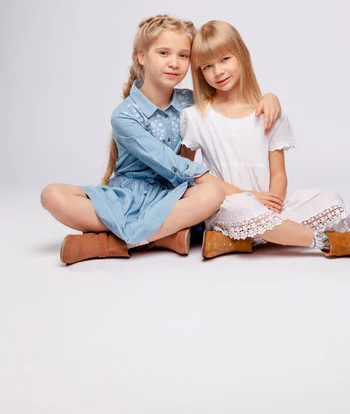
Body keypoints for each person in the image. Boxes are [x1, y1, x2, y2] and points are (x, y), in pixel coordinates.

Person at [40, 15, 282, 265]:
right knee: (52, 195)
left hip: (176, 198)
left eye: (183, 56)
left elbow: (230, 97)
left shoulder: (191, 101)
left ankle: (115, 242)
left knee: (210, 194)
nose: (174, 63)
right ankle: (162, 237)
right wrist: (243, 194)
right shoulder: (124, 116)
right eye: (164, 53)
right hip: (130, 197)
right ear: (142, 56)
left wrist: (269, 97)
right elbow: (175, 165)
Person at [179, 20, 350, 260]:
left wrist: (273, 205)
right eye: (207, 66)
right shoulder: (195, 117)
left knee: (330, 200)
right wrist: (247, 196)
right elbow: (191, 173)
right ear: (199, 72)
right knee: (244, 207)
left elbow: (278, 173)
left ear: (241, 55)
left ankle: (237, 241)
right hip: (229, 207)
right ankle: (325, 242)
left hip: (270, 203)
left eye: (225, 59)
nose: (218, 71)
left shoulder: (269, 112)